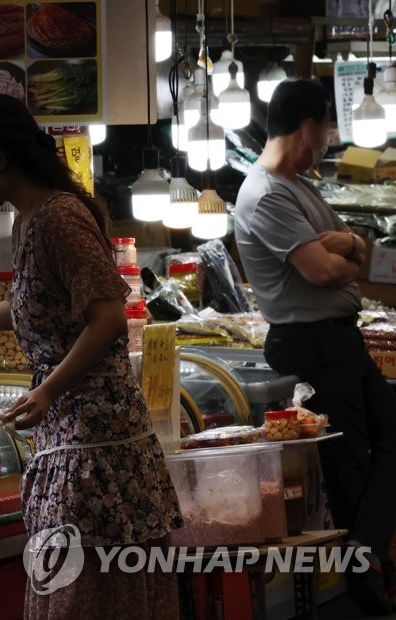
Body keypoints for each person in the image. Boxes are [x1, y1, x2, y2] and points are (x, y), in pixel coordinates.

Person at [0, 94, 182, 619]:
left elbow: (108, 318)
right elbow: (37, 307)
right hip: (69, 435)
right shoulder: (28, 221)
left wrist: (48, 389)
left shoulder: (60, 218)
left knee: (87, 585)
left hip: (98, 441)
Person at [234, 78, 396, 615]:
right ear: (307, 127)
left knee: (385, 441)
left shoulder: (300, 185)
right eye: (327, 127)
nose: (329, 138)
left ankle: (366, 552)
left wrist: (348, 243)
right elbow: (327, 269)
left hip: (338, 339)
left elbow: (357, 246)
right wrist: (346, 251)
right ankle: (369, 588)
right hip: (310, 345)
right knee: (350, 468)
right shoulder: (264, 194)